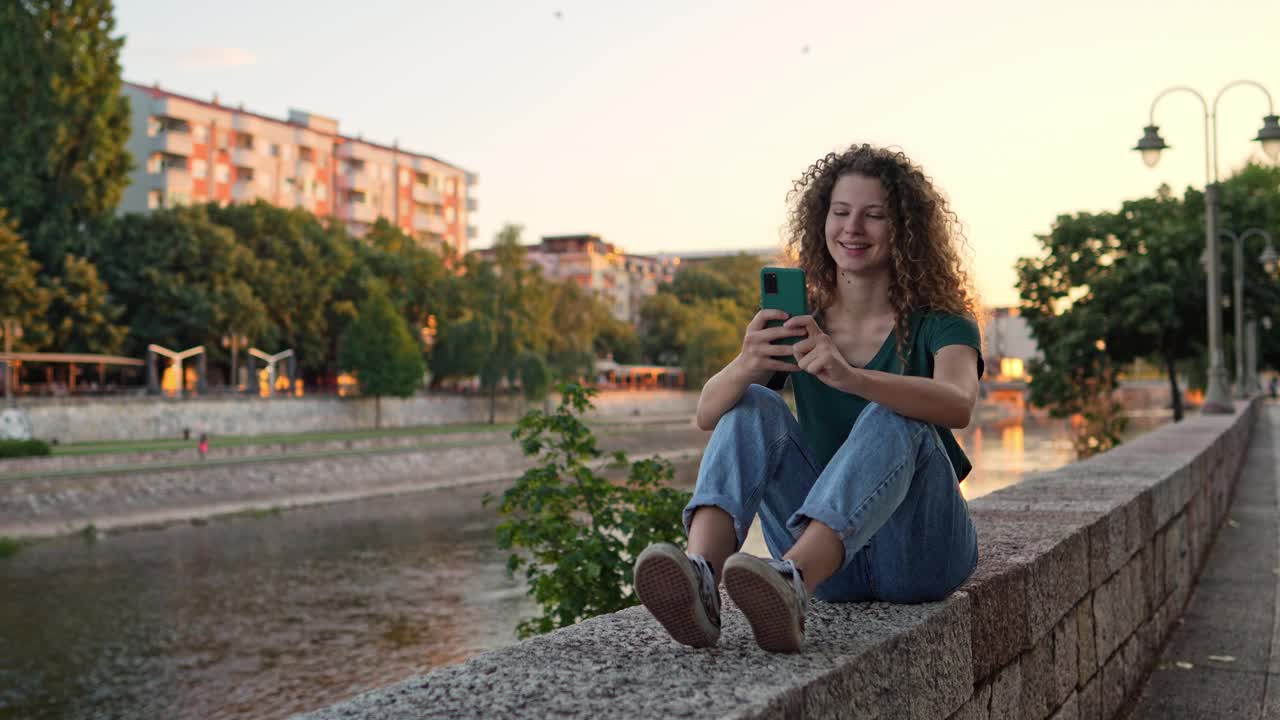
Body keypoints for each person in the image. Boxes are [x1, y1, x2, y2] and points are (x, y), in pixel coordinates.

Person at [633, 144, 983, 653]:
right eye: (840, 213)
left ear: (904, 228)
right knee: (754, 404)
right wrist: (749, 362)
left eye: (874, 215)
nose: (852, 229)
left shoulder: (942, 321)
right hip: (835, 572)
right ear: (822, 221)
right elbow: (708, 414)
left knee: (897, 413)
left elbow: (958, 403)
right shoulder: (800, 324)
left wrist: (851, 377)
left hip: (920, 557)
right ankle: (703, 578)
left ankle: (791, 582)